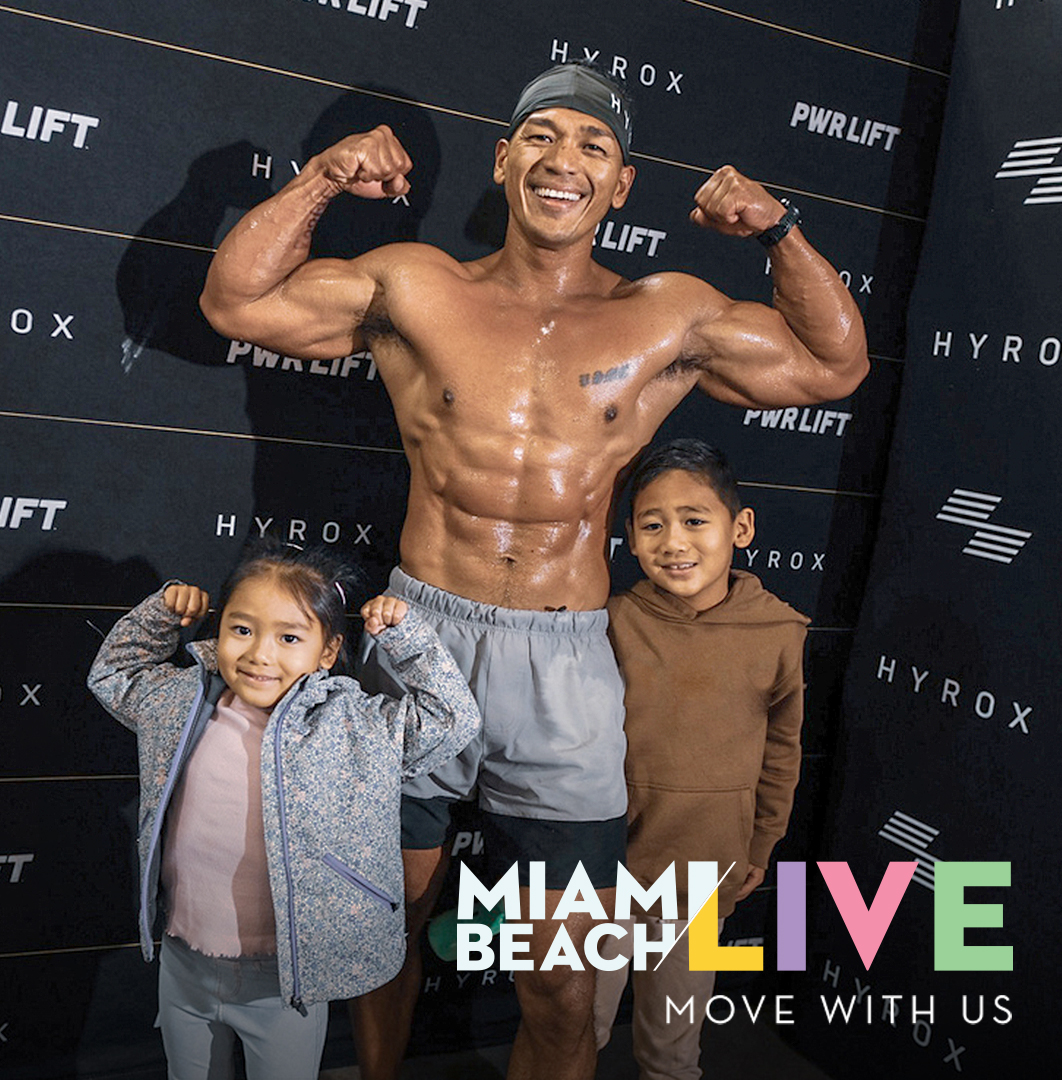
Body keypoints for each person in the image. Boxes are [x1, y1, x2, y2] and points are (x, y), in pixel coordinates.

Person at [198, 61, 867, 1080]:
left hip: (563, 666)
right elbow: (236, 300)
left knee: (561, 982)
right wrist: (326, 175)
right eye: (544, 137)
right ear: (505, 160)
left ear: (622, 186)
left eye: (594, 146)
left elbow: (833, 365)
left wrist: (778, 232)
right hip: (417, 638)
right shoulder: (416, 284)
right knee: (387, 930)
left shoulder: (668, 314)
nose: (565, 161)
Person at [86, 541, 480, 1080]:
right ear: (219, 630)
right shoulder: (178, 702)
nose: (259, 654)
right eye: (242, 629)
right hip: (184, 964)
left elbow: (451, 719)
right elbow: (114, 674)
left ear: (327, 650)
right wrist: (160, 617)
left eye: (289, 637)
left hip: (285, 981)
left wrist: (407, 639)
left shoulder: (353, 724)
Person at [594, 438, 809, 1080]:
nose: (673, 542)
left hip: (700, 878)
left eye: (694, 520)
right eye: (652, 525)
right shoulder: (610, 620)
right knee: (578, 1026)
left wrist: (761, 843)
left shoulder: (779, 631)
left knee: (672, 1048)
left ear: (740, 528)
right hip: (603, 873)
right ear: (630, 539)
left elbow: (782, 749)